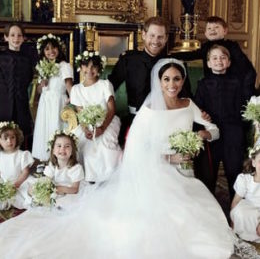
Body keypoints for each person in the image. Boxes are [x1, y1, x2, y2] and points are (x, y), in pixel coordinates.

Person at [0, 59, 234, 258]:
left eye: (177, 79)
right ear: (159, 82)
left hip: (185, 171)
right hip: (155, 171)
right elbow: (136, 146)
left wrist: (203, 134)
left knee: (196, 216)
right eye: (167, 79)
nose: (172, 85)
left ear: (183, 81)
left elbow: (214, 130)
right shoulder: (150, 108)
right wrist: (168, 157)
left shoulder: (188, 104)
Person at [108, 16, 193, 145]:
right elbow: (109, 87)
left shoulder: (174, 63)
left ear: (165, 38)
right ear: (144, 35)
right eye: (152, 36)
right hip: (136, 120)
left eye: (160, 37)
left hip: (168, 121)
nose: (155, 41)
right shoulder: (128, 60)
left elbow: (186, 95)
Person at [195, 45, 248, 199]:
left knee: (234, 172)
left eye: (223, 57)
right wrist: (202, 114)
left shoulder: (237, 83)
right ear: (209, 63)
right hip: (212, 134)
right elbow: (198, 107)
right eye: (215, 58)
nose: (219, 61)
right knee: (208, 175)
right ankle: (209, 209)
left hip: (233, 132)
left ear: (229, 62)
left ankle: (234, 207)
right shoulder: (203, 84)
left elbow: (243, 107)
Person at [174, 16, 256, 99]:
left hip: (231, 86)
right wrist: (170, 55)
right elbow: (189, 55)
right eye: (209, 28)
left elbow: (246, 67)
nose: (212, 30)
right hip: (212, 86)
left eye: (216, 27)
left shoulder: (232, 46)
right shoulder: (205, 47)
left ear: (225, 31)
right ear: (205, 33)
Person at [71, 51, 122, 183]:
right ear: (80, 68)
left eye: (94, 66)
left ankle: (109, 178)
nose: (89, 70)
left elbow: (111, 109)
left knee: (105, 145)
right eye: (86, 66)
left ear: (99, 68)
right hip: (87, 123)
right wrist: (85, 129)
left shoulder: (105, 84)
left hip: (107, 121)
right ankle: (89, 179)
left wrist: (102, 128)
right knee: (83, 144)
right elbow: (80, 113)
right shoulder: (76, 89)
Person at [32, 33, 74, 162]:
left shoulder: (64, 66)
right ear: (43, 52)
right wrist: (42, 83)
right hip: (45, 103)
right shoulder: (42, 67)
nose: (51, 51)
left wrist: (71, 100)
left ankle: (58, 159)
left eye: (54, 48)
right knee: (44, 130)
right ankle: (44, 159)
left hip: (57, 103)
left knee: (56, 128)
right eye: (47, 49)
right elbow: (40, 90)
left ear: (59, 49)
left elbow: (69, 87)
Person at [0, 23, 34, 150]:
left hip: (21, 105)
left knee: (21, 138)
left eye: (19, 35)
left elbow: (28, 80)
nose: (16, 38)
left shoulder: (27, 59)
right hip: (3, 105)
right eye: (12, 35)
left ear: (23, 38)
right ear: (6, 37)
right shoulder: (1, 57)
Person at [41, 130, 85, 207]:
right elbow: (46, 181)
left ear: (72, 151)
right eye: (59, 146)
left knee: (64, 204)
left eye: (67, 146)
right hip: (57, 191)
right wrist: (45, 189)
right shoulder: (52, 165)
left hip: (70, 192)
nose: (63, 149)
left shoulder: (76, 168)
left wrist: (58, 189)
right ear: (53, 150)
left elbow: (75, 189)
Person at [0, 121, 34, 210]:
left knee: (28, 193)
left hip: (21, 182)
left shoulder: (22, 154)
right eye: (5, 138)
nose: (9, 141)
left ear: (17, 138)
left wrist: (17, 184)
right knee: (5, 197)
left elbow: (25, 172)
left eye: (12, 137)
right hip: (6, 184)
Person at [230, 144, 260, 243]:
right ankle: (243, 235)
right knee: (239, 210)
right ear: (254, 162)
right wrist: (232, 223)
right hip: (250, 211)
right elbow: (235, 203)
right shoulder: (244, 179)